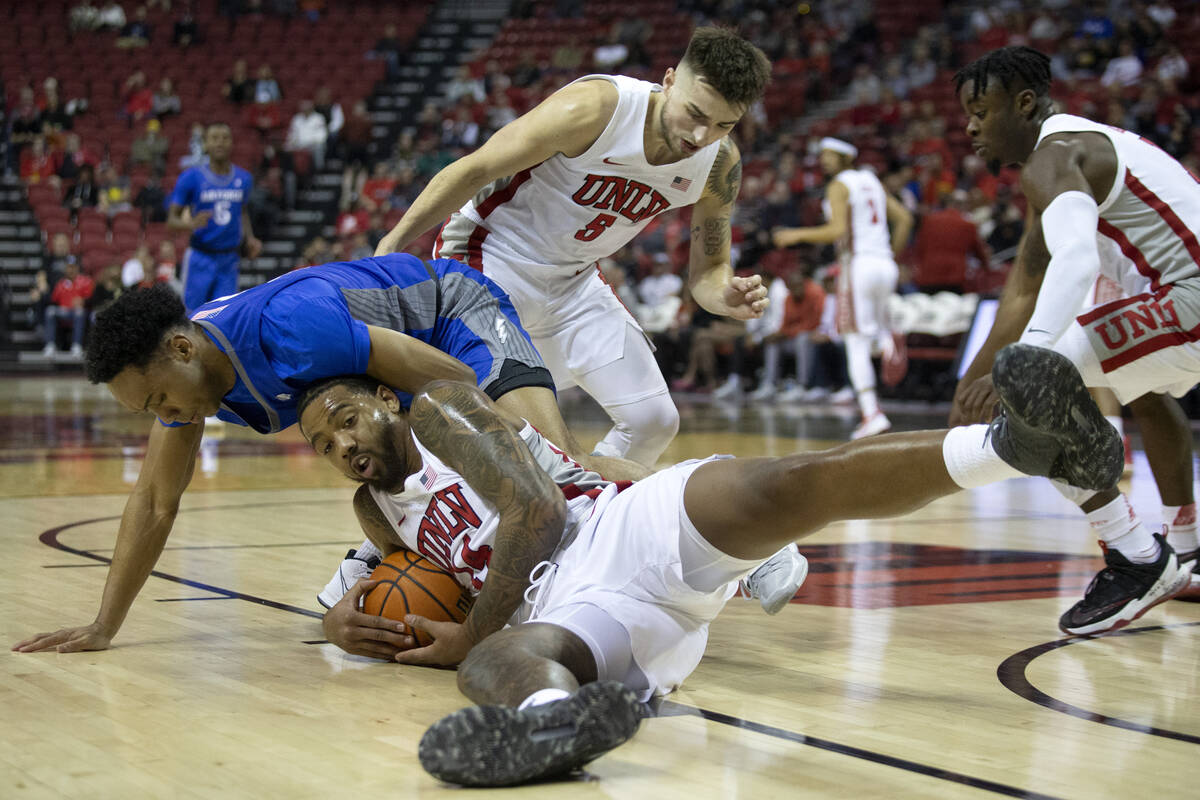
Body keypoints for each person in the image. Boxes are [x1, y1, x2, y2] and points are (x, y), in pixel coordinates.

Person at [301, 340, 1123, 787]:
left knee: (784, 487)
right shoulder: (373, 509)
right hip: (572, 606)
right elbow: (370, 580)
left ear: (382, 400)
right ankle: (549, 728)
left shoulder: (442, 409)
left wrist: (462, 635)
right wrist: (340, 619)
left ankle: (1021, 446)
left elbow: (540, 513)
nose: (340, 445)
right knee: (508, 655)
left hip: (611, 524)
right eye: (320, 442)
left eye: (343, 418)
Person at [9, 252, 654, 657]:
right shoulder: (193, 378)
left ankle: (686, 506)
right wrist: (103, 625)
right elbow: (154, 501)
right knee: (447, 486)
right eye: (145, 410)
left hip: (450, 314)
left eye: (156, 400)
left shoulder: (288, 329)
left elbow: (447, 381)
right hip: (390, 366)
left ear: (182, 351)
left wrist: (496, 442)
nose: (163, 417)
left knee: (546, 464)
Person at [374, 27, 772, 470]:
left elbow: (709, 270)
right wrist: (389, 246)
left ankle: (591, 519)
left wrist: (725, 296)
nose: (701, 134)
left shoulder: (719, 164)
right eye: (696, 114)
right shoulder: (596, 109)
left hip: (575, 283)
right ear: (670, 80)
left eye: (724, 124)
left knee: (653, 421)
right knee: (503, 432)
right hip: (489, 258)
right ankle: (412, 524)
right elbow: (475, 169)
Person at [949, 46, 1198, 634]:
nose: (970, 126)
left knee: (1033, 384)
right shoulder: (1068, 158)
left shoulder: (1053, 156)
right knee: (1142, 391)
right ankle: (1187, 544)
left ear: (1025, 103)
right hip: (1179, 301)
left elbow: (1078, 261)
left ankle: (1136, 556)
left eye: (982, 111)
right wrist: (969, 384)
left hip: (1190, 299)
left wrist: (1027, 362)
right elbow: (1024, 287)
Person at [772, 138, 914, 439]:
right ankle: (887, 338)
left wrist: (794, 235)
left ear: (845, 157)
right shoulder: (872, 181)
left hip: (858, 265)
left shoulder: (839, 185)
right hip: (884, 265)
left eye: (828, 155)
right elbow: (905, 219)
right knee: (867, 331)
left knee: (853, 340)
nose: (823, 160)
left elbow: (836, 231)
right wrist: (889, 252)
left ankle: (871, 412)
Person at [166, 122, 262, 312]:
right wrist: (190, 223)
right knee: (192, 317)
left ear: (232, 143)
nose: (220, 143)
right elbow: (171, 221)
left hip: (229, 259)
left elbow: (242, 211)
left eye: (225, 138)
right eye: (214, 138)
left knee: (223, 317)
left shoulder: (244, 179)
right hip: (200, 257)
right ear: (206, 145)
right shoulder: (191, 178)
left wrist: (249, 238)